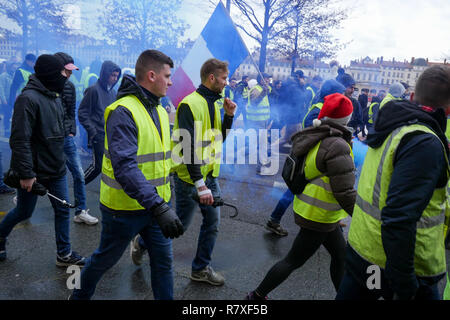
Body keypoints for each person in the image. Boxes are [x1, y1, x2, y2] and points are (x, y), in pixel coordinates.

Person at [70, 50, 184, 300]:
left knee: (164, 265)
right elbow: (125, 167)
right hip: (124, 210)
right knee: (103, 260)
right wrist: (160, 207)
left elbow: (162, 161)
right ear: (152, 76)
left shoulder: (162, 111)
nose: (171, 81)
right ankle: (77, 295)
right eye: (167, 76)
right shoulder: (123, 110)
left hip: (155, 207)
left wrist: (166, 200)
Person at [336, 65, 450, 300]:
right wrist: (406, 284)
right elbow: (399, 217)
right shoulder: (424, 142)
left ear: (411, 96)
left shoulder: (392, 125)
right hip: (403, 267)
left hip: (368, 254)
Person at [248, 93, 356, 300]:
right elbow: (345, 191)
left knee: (340, 256)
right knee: (293, 261)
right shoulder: (337, 144)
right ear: (346, 119)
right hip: (319, 214)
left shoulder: (318, 133)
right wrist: (364, 217)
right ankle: (256, 296)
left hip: (317, 211)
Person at [0, 54, 86, 266]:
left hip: (56, 168)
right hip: (35, 172)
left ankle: (64, 254)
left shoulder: (55, 96)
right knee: (23, 211)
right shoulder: (27, 99)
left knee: (63, 211)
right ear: (49, 74)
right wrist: (27, 174)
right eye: (61, 73)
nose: (65, 77)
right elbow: (20, 140)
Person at [170, 58, 236, 285]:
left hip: (209, 175)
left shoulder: (217, 104)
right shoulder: (190, 104)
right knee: (179, 225)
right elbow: (186, 147)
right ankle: (142, 243)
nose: (226, 82)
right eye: (224, 78)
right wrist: (200, 184)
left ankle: (199, 269)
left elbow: (219, 139)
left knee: (212, 222)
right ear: (212, 78)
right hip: (190, 178)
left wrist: (228, 117)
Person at [54, 52, 98, 225]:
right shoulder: (44, 87)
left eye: (71, 71)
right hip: (48, 140)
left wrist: (72, 130)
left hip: (66, 138)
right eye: (67, 70)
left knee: (79, 175)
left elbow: (72, 111)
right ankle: (23, 198)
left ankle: (80, 211)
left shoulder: (70, 87)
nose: (70, 74)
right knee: (41, 174)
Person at [78, 60, 121, 185]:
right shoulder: (93, 90)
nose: (115, 78)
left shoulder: (113, 92)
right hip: (98, 134)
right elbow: (82, 113)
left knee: (109, 165)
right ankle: (79, 185)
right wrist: (93, 131)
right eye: (112, 75)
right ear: (105, 74)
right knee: (97, 166)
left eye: (117, 76)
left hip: (110, 134)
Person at [247, 72, 272, 175]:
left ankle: (261, 162)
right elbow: (254, 103)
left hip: (262, 121)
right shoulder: (257, 89)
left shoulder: (263, 88)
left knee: (260, 142)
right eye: (266, 79)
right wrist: (263, 93)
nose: (268, 80)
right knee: (261, 143)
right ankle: (261, 165)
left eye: (268, 79)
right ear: (261, 80)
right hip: (257, 121)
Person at [0, 62, 19, 135]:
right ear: (9, 67)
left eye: (15, 68)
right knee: (7, 115)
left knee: (15, 115)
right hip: (7, 99)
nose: (14, 69)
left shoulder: (15, 76)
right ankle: (6, 130)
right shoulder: (3, 76)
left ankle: (13, 130)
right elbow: (1, 89)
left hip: (14, 98)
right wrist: (3, 100)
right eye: (13, 67)